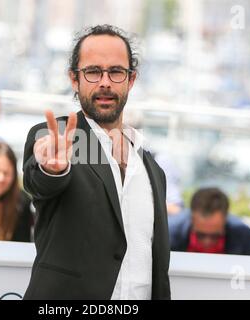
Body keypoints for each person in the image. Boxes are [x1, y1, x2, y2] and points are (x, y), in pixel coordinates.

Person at [22, 25, 171, 300]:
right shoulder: (58, 140)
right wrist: (51, 169)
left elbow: (157, 266)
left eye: (116, 72)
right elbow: (39, 183)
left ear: (131, 79)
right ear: (74, 79)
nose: (105, 82)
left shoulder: (152, 170)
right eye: (93, 71)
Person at [169, 187, 250, 255]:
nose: (207, 242)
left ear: (226, 219)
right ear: (191, 218)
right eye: (200, 235)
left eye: (215, 236)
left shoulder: (244, 236)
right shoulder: (169, 234)